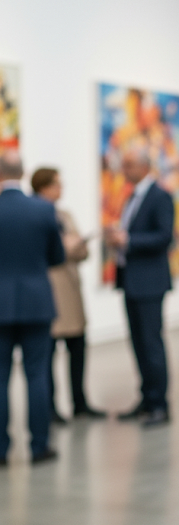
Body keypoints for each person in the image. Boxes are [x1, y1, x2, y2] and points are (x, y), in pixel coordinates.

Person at [0, 151, 65, 465]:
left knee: (0, 377)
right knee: (37, 374)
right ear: (23, 173)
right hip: (37, 303)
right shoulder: (43, 209)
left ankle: (1, 449)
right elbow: (57, 256)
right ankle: (39, 446)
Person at [104, 146, 174, 427]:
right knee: (138, 344)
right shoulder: (132, 196)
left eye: (129, 165)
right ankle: (147, 399)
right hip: (131, 281)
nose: (124, 170)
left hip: (149, 283)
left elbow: (164, 237)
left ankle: (159, 405)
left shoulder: (160, 196)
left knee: (151, 344)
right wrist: (119, 237)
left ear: (145, 167)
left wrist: (128, 240)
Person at [31, 168, 106, 422]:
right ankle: (50, 408)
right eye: (56, 184)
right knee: (47, 354)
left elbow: (83, 253)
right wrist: (65, 247)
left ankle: (80, 403)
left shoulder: (66, 215)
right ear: (43, 187)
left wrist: (75, 247)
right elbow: (42, 252)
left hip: (72, 291)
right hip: (51, 292)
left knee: (78, 348)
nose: (61, 189)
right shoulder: (35, 214)